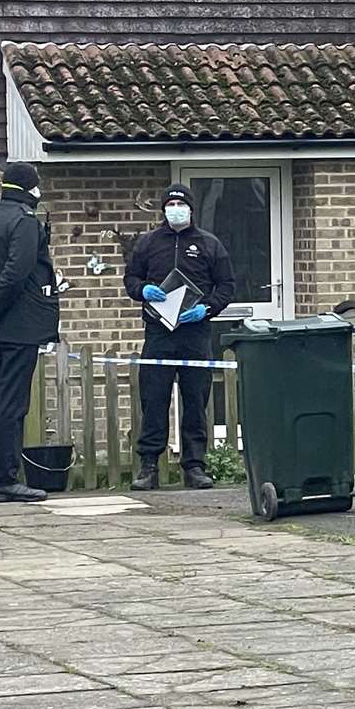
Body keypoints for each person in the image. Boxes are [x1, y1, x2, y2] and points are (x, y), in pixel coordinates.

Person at [124, 182, 235, 491]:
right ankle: (149, 466)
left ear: (191, 209)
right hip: (159, 333)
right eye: (170, 204)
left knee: (196, 400)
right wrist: (142, 291)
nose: (175, 209)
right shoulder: (147, 244)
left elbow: (226, 286)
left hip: (195, 333)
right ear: (163, 210)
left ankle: (195, 465)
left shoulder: (209, 244)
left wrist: (207, 309)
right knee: (154, 399)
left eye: (180, 204)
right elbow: (131, 279)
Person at [0, 162, 60, 502]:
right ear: (30, 188)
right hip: (17, 328)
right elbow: (17, 273)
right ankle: (4, 479)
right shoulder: (25, 222)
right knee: (11, 406)